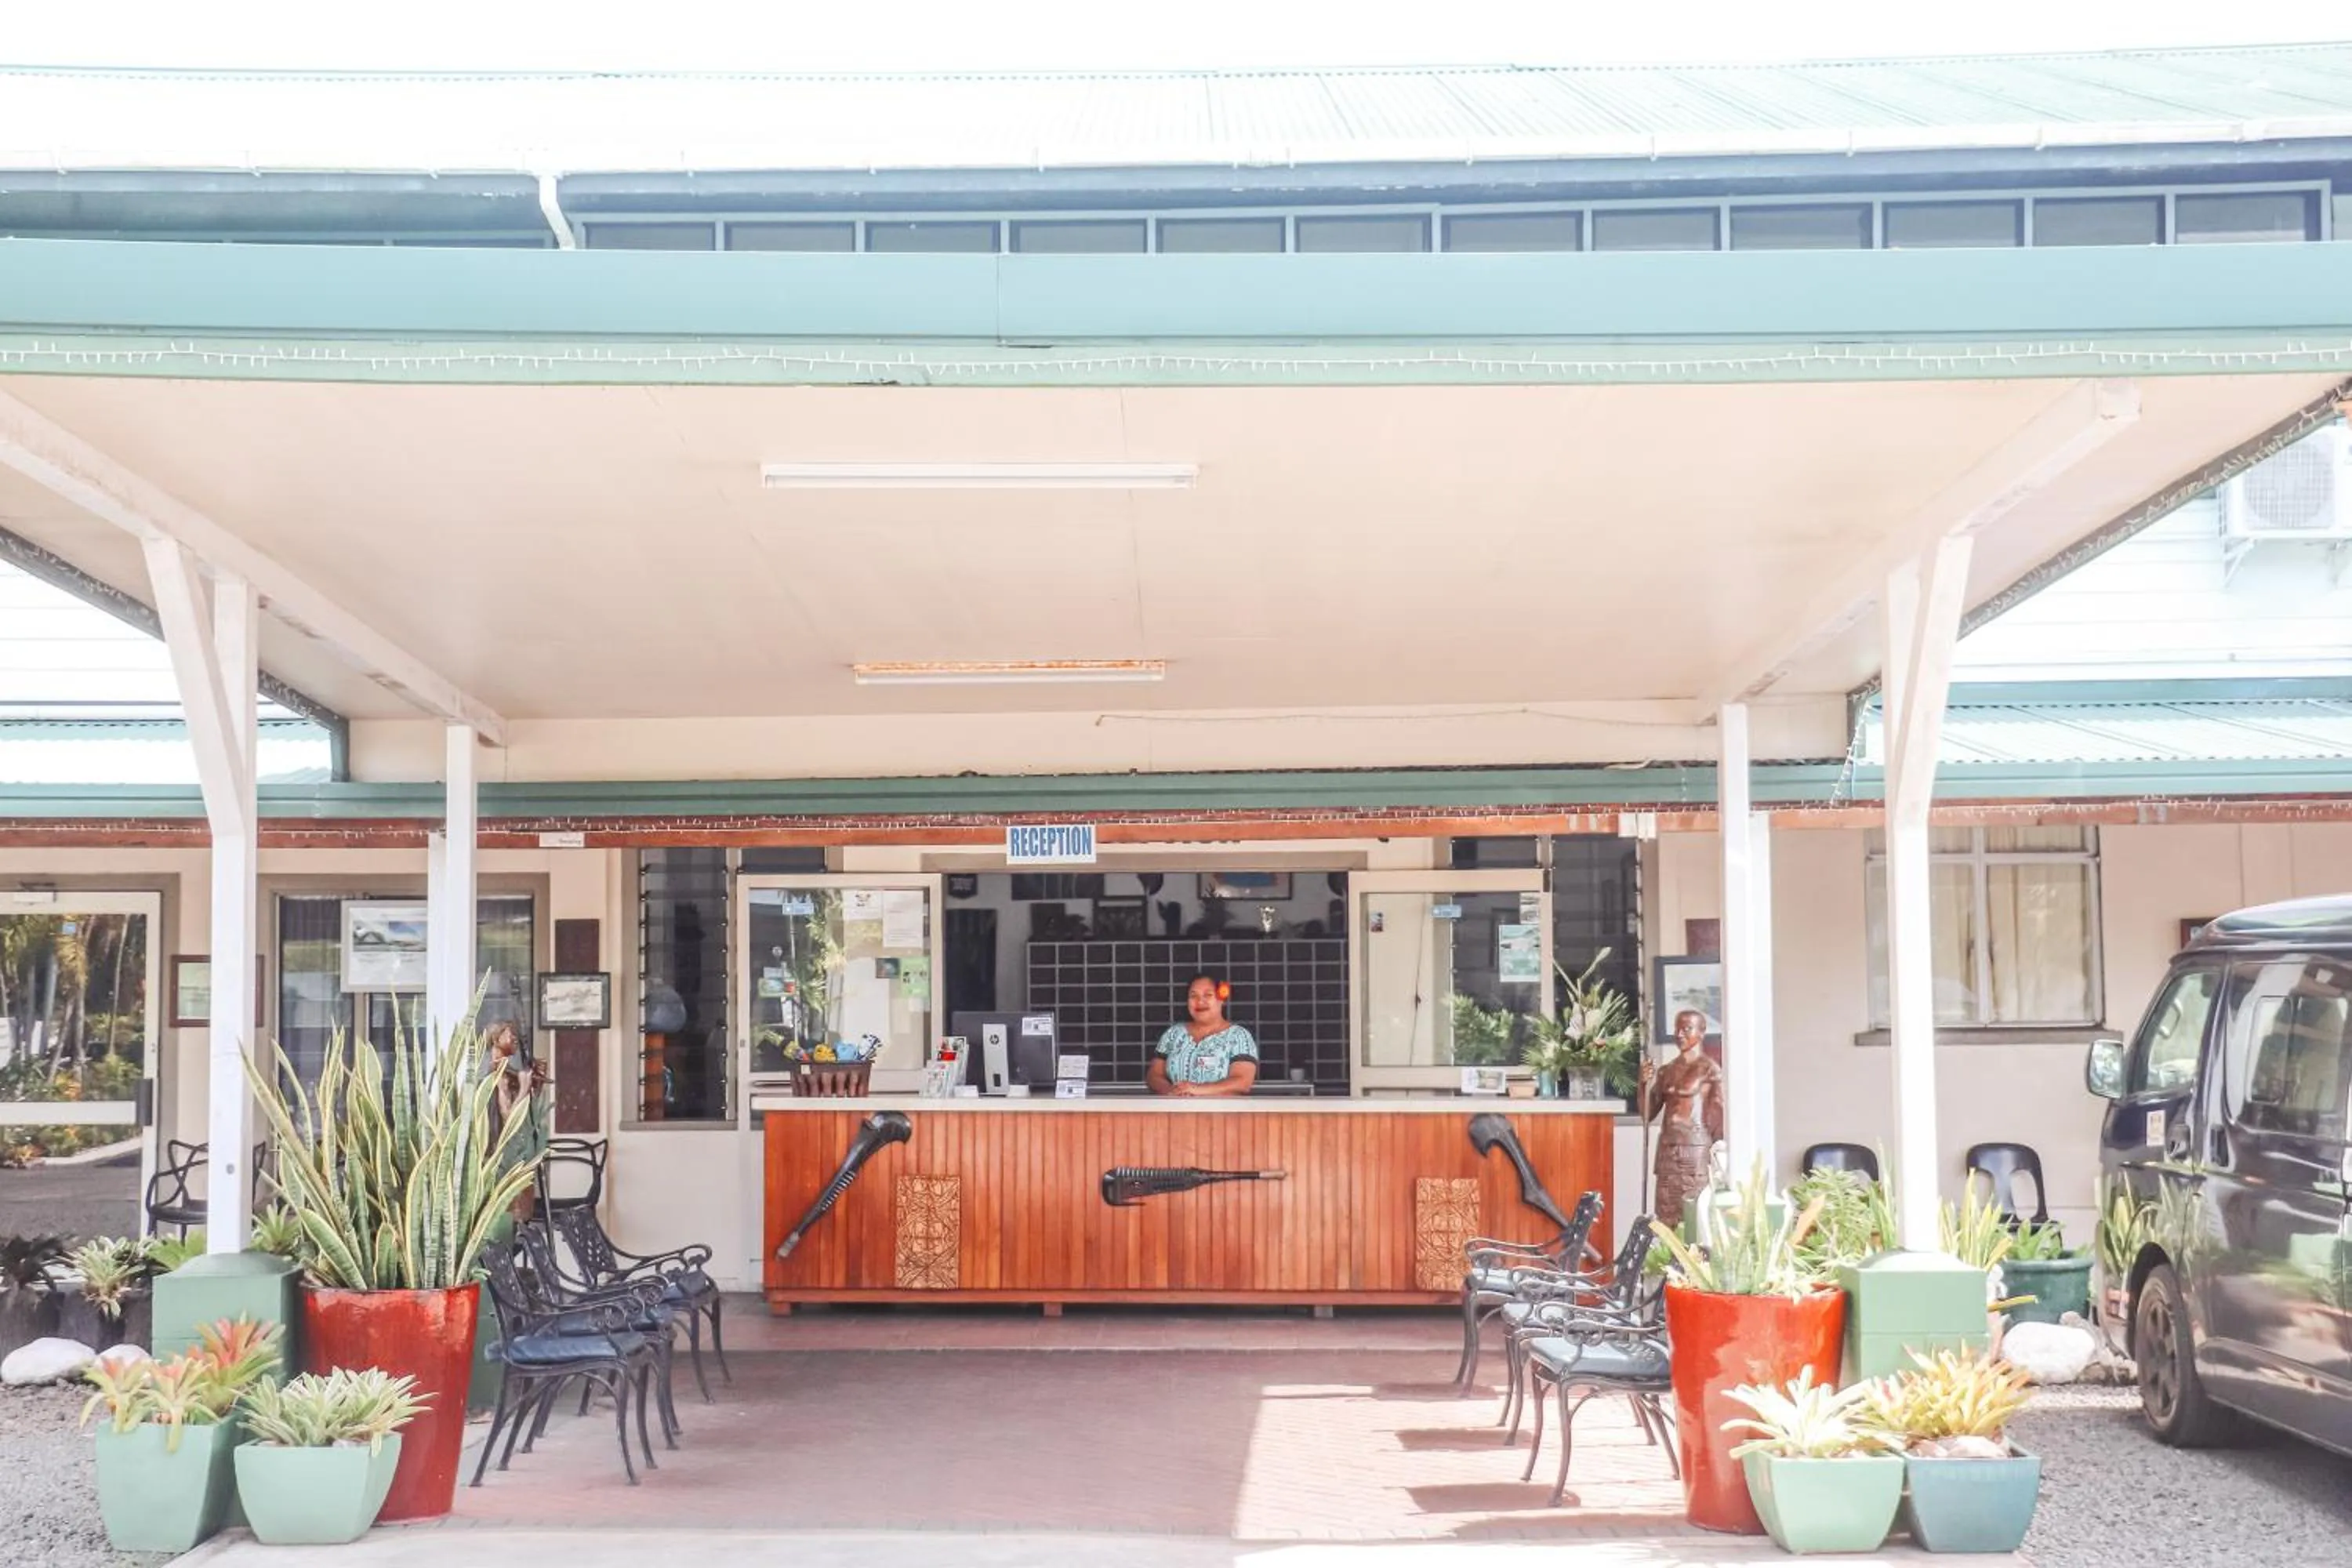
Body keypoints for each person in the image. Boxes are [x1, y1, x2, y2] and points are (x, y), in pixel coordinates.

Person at [1640, 1008, 1725, 1228]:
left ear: (1701, 1032)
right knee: (1666, 1211)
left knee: (1693, 1214)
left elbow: (1719, 1112)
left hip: (1695, 1148)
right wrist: (1643, 1084)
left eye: (1687, 1029)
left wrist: (1720, 1153)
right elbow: (1648, 1113)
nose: (1680, 1034)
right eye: (1677, 1029)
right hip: (1668, 1148)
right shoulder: (1666, 1071)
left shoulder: (1709, 1070)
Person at [1147, 972, 1260, 1098]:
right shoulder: (1173, 1034)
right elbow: (1154, 1075)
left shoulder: (1238, 1036)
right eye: (1193, 996)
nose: (1200, 1001)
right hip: (1174, 1108)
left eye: (1208, 995)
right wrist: (1171, 1091)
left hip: (1222, 1110)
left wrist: (1196, 1090)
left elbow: (1242, 1082)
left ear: (1221, 999)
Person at [485, 1020, 549, 1221]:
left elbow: (526, 1112)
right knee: (515, 1216)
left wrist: (535, 1086)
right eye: (509, 1034)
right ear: (496, 1039)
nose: (514, 1039)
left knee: (523, 1214)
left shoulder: (508, 1072)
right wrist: (523, 1087)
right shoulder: (500, 1076)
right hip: (507, 1159)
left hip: (519, 1155)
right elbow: (509, 1117)